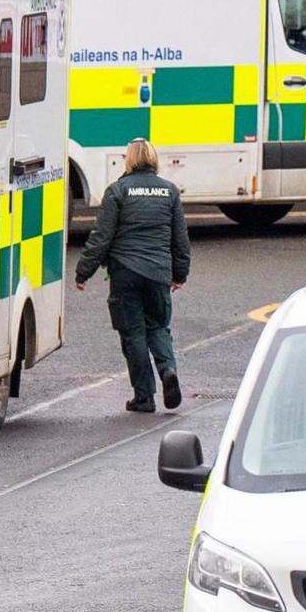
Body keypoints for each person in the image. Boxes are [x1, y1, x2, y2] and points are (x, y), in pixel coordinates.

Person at [76, 139, 191, 413]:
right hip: (158, 272)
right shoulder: (170, 191)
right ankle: (167, 370)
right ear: (153, 159)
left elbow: (101, 237)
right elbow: (180, 239)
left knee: (133, 333)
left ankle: (144, 397)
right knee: (158, 327)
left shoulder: (117, 191)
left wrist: (84, 271)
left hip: (125, 272)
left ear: (128, 160)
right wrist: (180, 273)